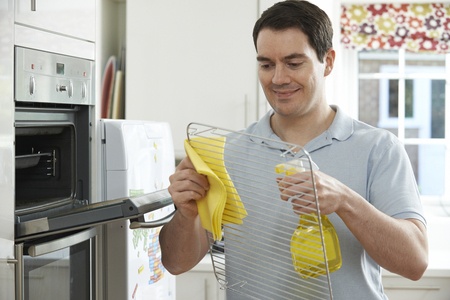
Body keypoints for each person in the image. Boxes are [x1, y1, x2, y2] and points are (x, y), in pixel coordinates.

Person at [159, 1, 428, 299]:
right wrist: (186, 215)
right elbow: (176, 263)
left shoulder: (378, 148)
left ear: (327, 61)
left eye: (294, 63)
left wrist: (344, 200)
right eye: (266, 64)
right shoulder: (226, 153)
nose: (278, 79)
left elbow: (415, 263)